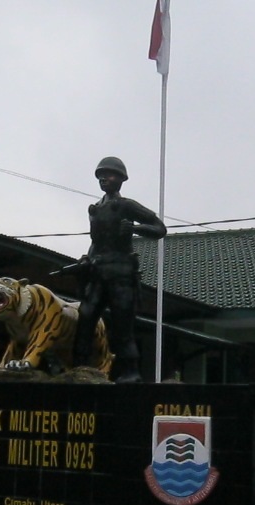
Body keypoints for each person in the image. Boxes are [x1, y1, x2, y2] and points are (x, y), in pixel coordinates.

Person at [72, 156, 166, 383]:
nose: (104, 178)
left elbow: (160, 228)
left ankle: (131, 371)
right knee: (85, 318)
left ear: (121, 179)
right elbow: (96, 242)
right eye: (101, 175)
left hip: (121, 274)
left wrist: (136, 228)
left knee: (123, 324)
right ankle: (80, 368)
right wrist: (87, 258)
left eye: (109, 174)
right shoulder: (95, 209)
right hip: (97, 272)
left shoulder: (126, 206)